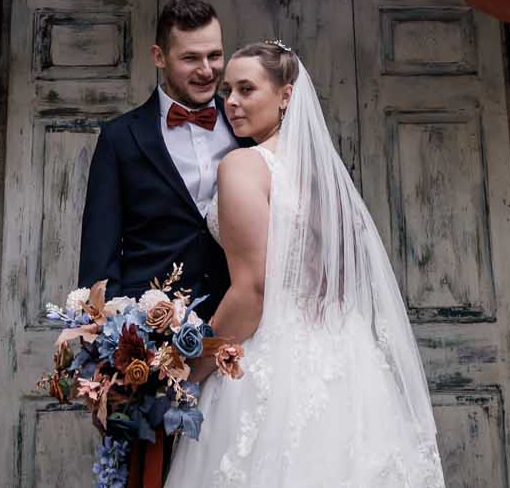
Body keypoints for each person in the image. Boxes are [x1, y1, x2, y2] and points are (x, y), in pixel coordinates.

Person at [166, 41, 445, 488]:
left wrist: (191, 368)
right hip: (349, 369)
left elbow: (253, 291)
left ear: (285, 95)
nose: (230, 103)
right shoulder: (326, 180)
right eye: (227, 91)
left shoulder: (242, 166)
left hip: (268, 370)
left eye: (245, 89)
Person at [77, 0, 248, 484]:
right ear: (159, 57)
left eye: (214, 55)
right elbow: (99, 258)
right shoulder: (120, 138)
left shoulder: (247, 130)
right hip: (150, 349)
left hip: (242, 332)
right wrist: (104, 361)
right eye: (190, 57)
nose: (207, 70)